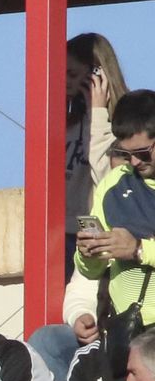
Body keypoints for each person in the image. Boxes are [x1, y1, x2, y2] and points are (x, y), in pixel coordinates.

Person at [73, 88, 155, 381]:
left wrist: (138, 249)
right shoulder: (113, 186)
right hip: (128, 334)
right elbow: (91, 270)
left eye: (143, 153)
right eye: (126, 152)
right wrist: (88, 253)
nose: (135, 162)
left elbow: (133, 249)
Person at [66, 33, 125, 277]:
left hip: (100, 233)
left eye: (72, 74)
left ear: (97, 74)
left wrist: (98, 112)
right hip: (64, 232)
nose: (65, 81)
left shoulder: (124, 121)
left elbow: (108, 176)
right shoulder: (68, 120)